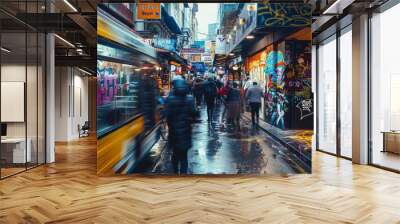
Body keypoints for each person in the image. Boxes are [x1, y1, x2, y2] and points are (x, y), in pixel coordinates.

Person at [165, 79, 196, 174]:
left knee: (175, 155)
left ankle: (175, 173)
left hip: (174, 133)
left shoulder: (170, 99)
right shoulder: (190, 99)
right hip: (186, 133)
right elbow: (194, 114)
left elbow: (166, 115)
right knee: (184, 157)